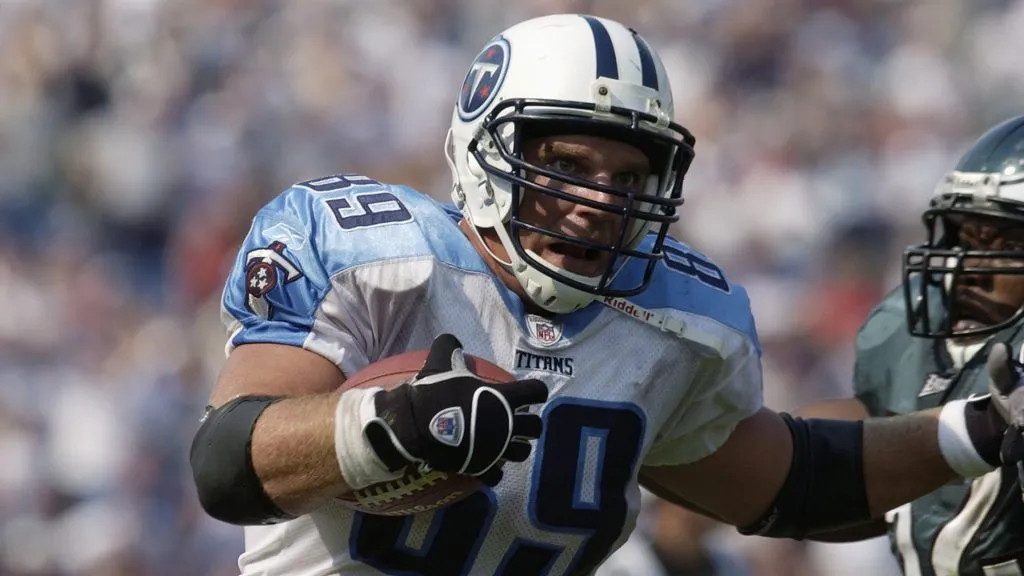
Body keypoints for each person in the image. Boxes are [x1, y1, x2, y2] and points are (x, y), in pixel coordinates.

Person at [188, 14, 1024, 576]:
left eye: (629, 175)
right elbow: (228, 462)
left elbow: (795, 482)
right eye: (567, 167)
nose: (599, 199)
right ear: (486, 152)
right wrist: (384, 427)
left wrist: (979, 428)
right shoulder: (371, 253)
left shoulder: (676, 320)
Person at [799, 115, 1024, 575]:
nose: (969, 267)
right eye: (965, 237)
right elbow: (868, 500)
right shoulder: (906, 332)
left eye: (1006, 243)